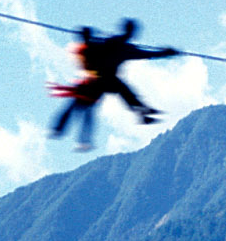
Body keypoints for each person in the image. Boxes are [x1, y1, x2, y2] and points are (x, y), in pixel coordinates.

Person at [49, 19, 179, 149]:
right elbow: (146, 54)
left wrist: (166, 53)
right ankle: (140, 111)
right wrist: (166, 53)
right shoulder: (117, 45)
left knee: (82, 106)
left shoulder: (119, 46)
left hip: (100, 82)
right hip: (99, 81)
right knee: (85, 106)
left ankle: (64, 132)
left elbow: (146, 54)